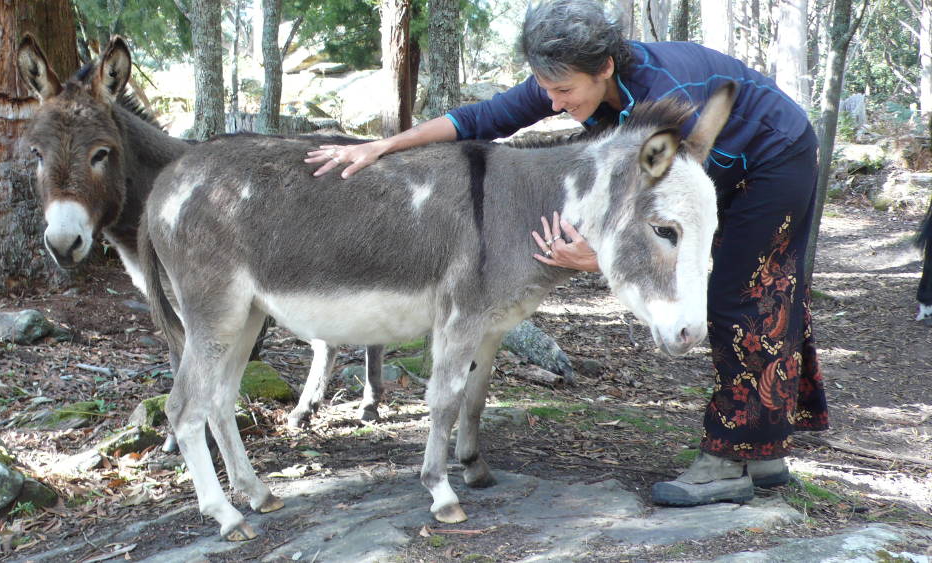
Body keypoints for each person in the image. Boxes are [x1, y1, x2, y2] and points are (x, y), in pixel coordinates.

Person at [305, 0, 828, 507]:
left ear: (605, 68)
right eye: (546, 89)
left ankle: (729, 460)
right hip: (715, 172)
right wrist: (386, 146)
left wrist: (599, 258)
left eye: (563, 91)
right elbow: (483, 118)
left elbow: (659, 217)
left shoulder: (668, 102)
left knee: (745, 296)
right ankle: (762, 449)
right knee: (756, 294)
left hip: (771, 160)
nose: (554, 103)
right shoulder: (571, 75)